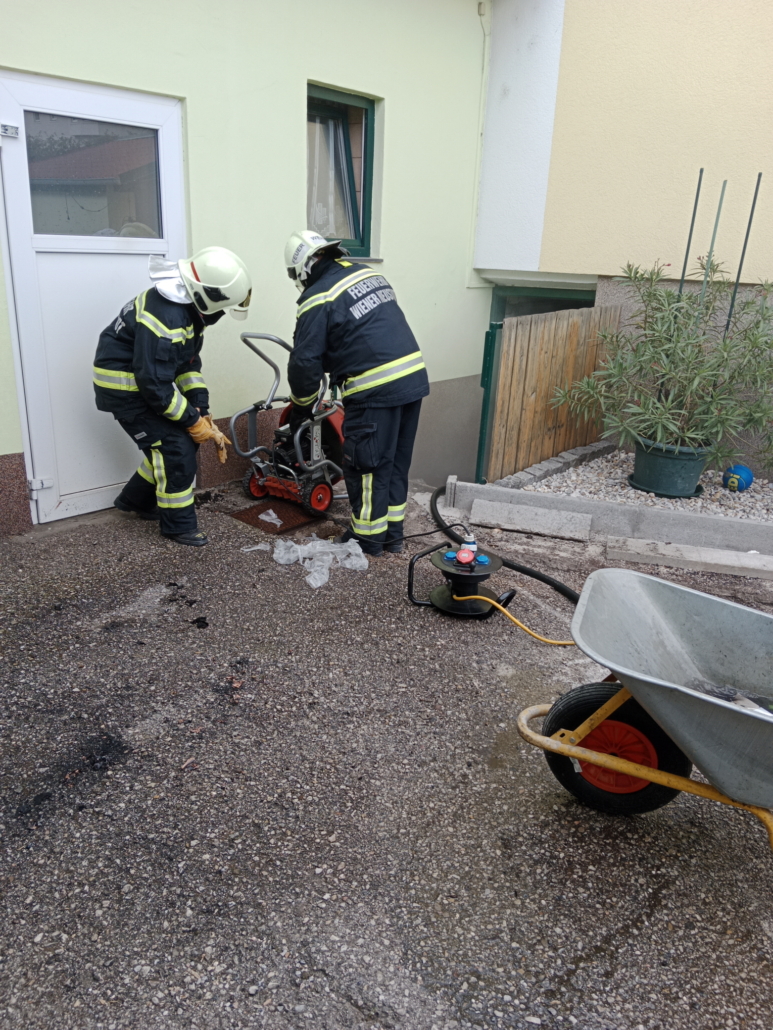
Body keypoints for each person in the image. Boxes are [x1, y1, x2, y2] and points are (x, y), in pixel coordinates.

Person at [93, 246, 251, 546]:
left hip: (142, 386)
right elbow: (155, 385)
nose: (221, 314)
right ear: (208, 295)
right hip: (126, 392)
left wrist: (200, 406)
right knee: (175, 450)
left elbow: (187, 364)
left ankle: (136, 500)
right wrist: (192, 420)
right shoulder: (169, 317)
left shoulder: (186, 310)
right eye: (222, 307)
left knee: (172, 446)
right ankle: (178, 526)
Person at [284, 230, 429, 555]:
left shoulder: (318, 296)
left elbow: (304, 363)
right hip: (412, 380)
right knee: (393, 465)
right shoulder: (367, 274)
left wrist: (301, 409)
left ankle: (367, 541)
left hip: (374, 390)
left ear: (303, 268)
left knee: (367, 467)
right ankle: (392, 537)